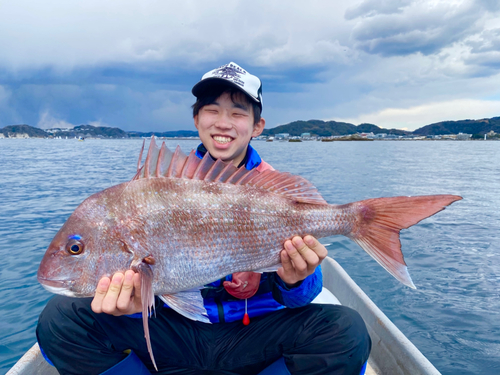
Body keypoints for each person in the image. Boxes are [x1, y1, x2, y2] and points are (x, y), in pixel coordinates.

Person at [37, 62, 371, 375]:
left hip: (254, 336)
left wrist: (296, 279)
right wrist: (133, 305)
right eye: (212, 111)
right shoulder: (149, 190)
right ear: (196, 120)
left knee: (347, 332)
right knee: (59, 321)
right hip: (175, 336)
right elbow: (152, 290)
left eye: (238, 113)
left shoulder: (273, 193)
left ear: (257, 126)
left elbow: (302, 299)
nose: (223, 123)